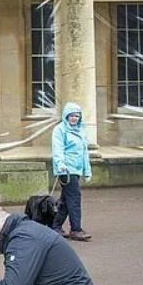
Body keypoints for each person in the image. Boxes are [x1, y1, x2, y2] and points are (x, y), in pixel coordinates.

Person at [51, 102, 92, 241]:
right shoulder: (60, 129)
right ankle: (76, 229)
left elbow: (84, 152)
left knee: (66, 199)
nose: (74, 118)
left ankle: (54, 226)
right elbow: (58, 149)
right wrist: (61, 164)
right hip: (66, 170)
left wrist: (87, 171)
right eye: (71, 115)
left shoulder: (80, 130)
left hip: (76, 170)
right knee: (74, 198)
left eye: (77, 116)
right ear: (66, 116)